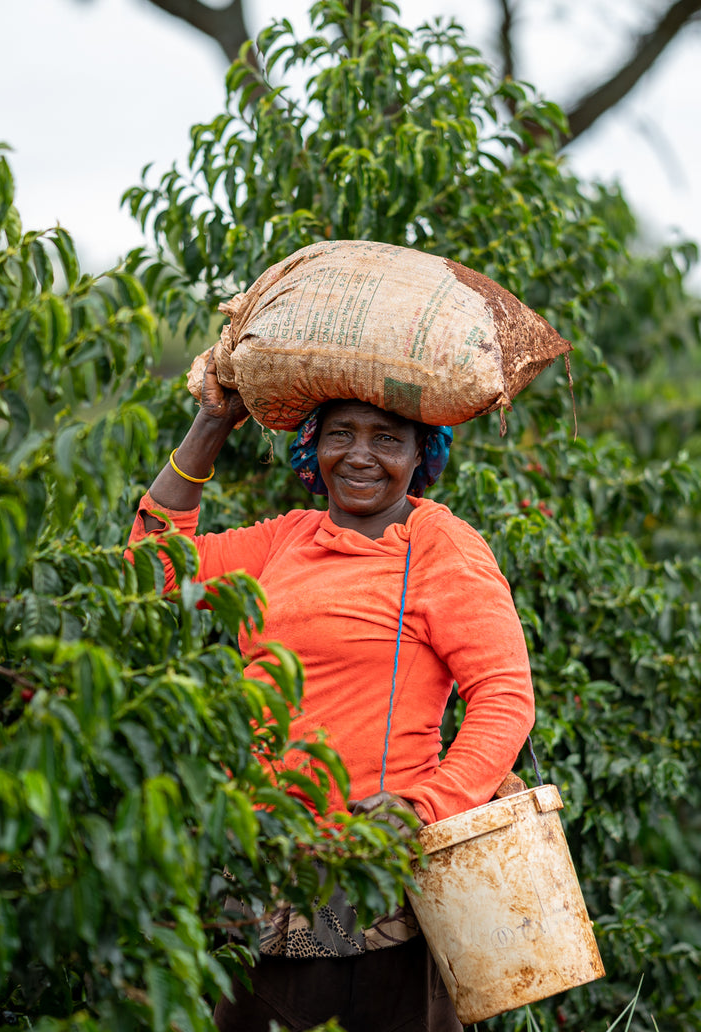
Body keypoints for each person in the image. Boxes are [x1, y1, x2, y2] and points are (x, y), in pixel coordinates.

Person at [128, 356, 536, 1032]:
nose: (360, 456)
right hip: (260, 862)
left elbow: (503, 695)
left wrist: (422, 807)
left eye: (387, 438)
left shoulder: (439, 545)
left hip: (374, 868)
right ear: (312, 447)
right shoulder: (286, 539)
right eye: (341, 433)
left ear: (420, 455)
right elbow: (153, 571)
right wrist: (212, 421)